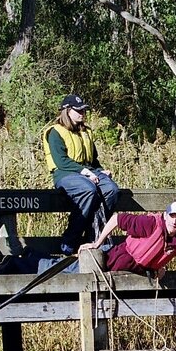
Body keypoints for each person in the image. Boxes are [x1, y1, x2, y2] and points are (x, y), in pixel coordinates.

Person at [43, 94, 119, 256]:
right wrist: (86, 172)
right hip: (65, 174)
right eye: (78, 111)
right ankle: (71, 239)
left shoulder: (86, 131)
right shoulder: (55, 132)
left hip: (89, 171)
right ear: (67, 111)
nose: (82, 113)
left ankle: (95, 234)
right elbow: (61, 161)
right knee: (88, 189)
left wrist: (101, 170)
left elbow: (93, 159)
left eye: (83, 110)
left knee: (111, 189)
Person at [78, 201, 176, 280]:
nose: (174, 222)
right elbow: (116, 219)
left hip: (140, 274)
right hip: (113, 262)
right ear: (165, 215)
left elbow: (161, 255)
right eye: (171, 216)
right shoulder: (150, 223)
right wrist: (97, 243)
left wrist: (160, 268)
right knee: (73, 272)